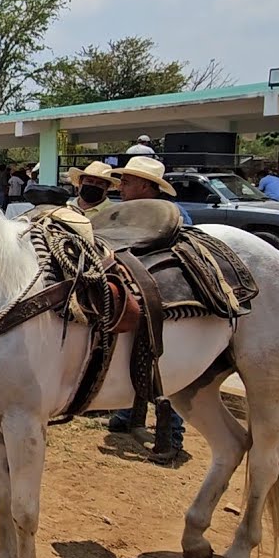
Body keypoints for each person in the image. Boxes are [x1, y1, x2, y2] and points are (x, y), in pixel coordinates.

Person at [106, 155, 188, 464]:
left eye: (127, 181)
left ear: (145, 185)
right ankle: (127, 411)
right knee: (127, 350)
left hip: (161, 293)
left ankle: (173, 431)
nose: (121, 186)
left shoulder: (172, 215)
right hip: (131, 283)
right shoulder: (121, 212)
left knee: (167, 364)